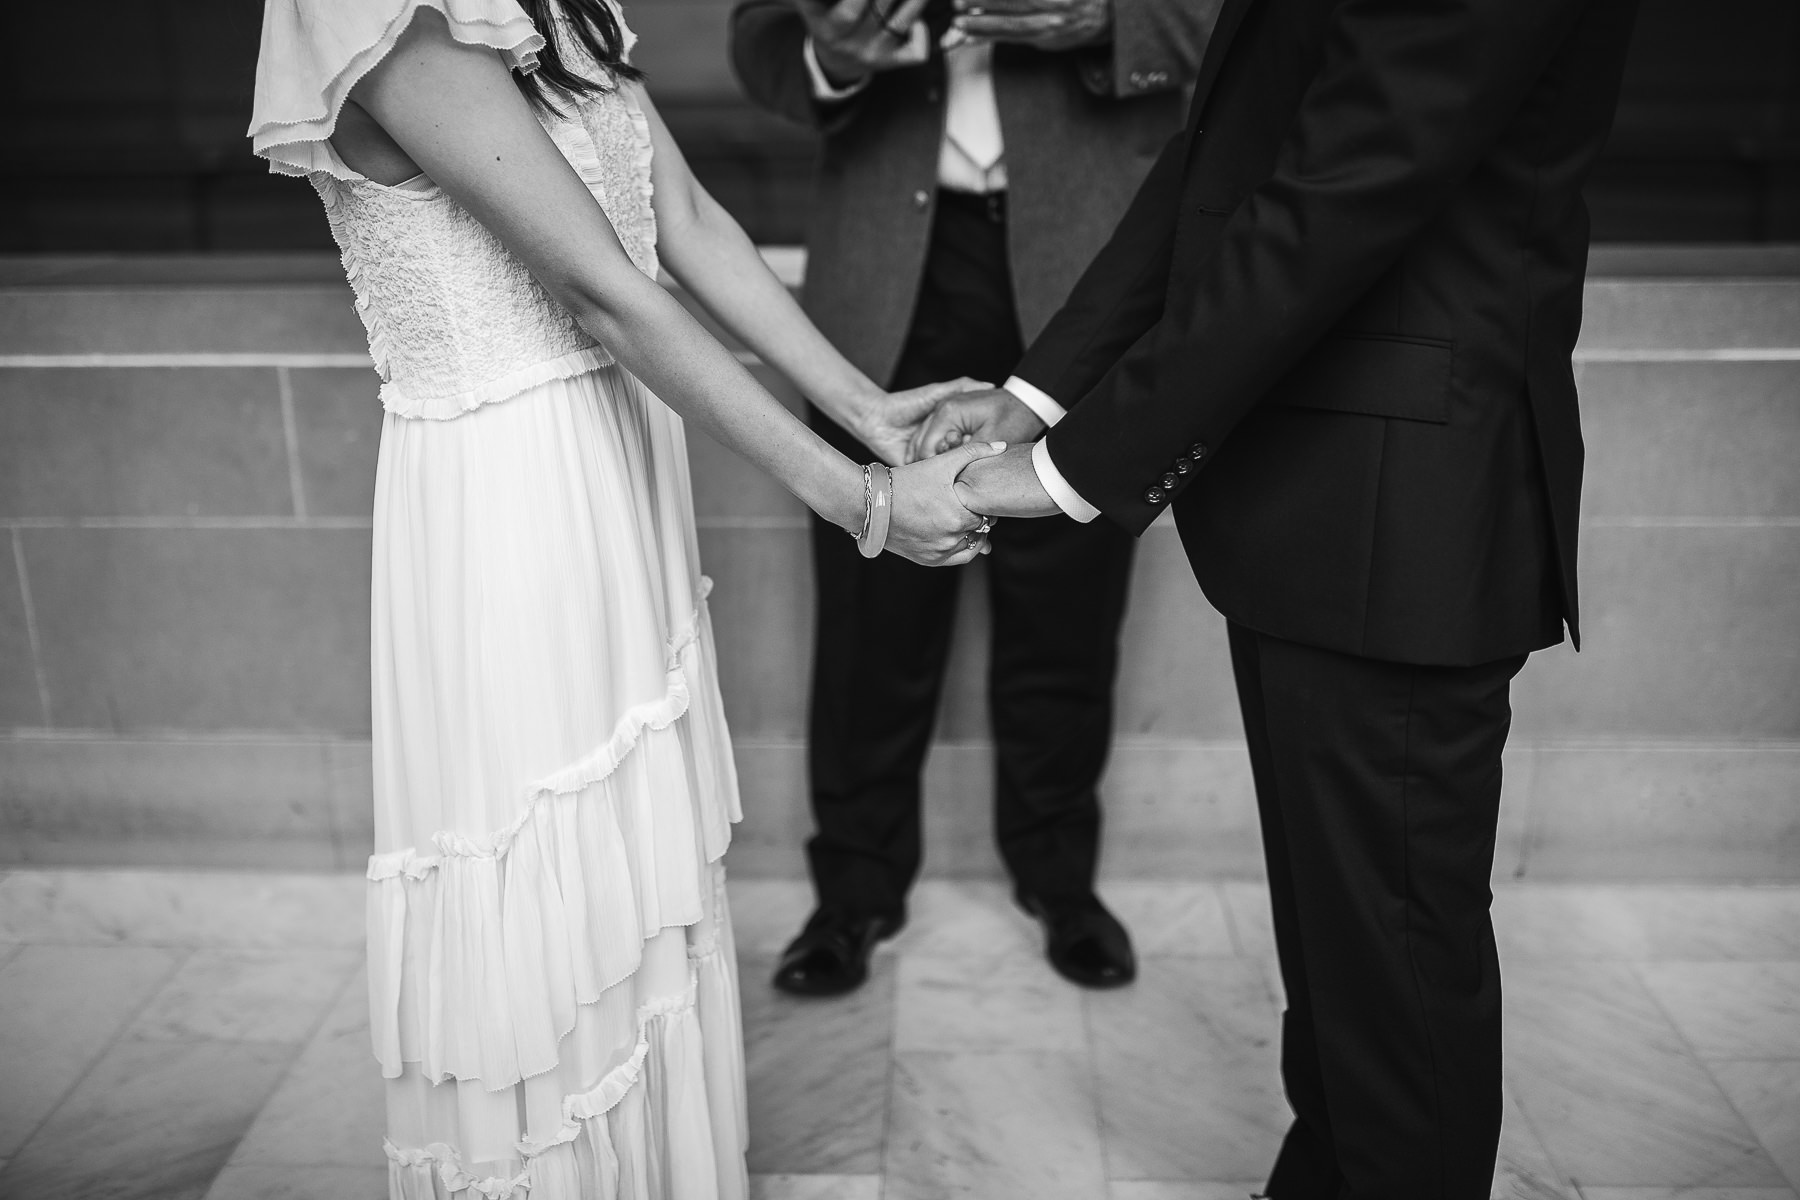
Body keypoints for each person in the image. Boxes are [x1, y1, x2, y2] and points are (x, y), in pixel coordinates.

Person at [248, 0, 994, 1193]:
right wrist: (857, 499)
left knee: (634, 901)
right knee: (551, 896)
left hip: (619, 471)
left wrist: (868, 408)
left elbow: (685, 219)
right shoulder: (374, 12)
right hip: (509, 499)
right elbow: (603, 289)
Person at [925, 0, 1640, 1191]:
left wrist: (1067, 471)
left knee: (1397, 979)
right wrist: (1044, 393)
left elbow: (1334, 196)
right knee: (1343, 958)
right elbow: (1222, 156)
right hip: (1323, 493)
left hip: (1401, 502)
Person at [729, 0, 1219, 995]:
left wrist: (1109, 21)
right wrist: (832, 54)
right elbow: (759, 42)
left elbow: (1240, 29)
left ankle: (1059, 877)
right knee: (872, 611)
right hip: (888, 274)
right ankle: (855, 888)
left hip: (1091, 265)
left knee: (1070, 610)